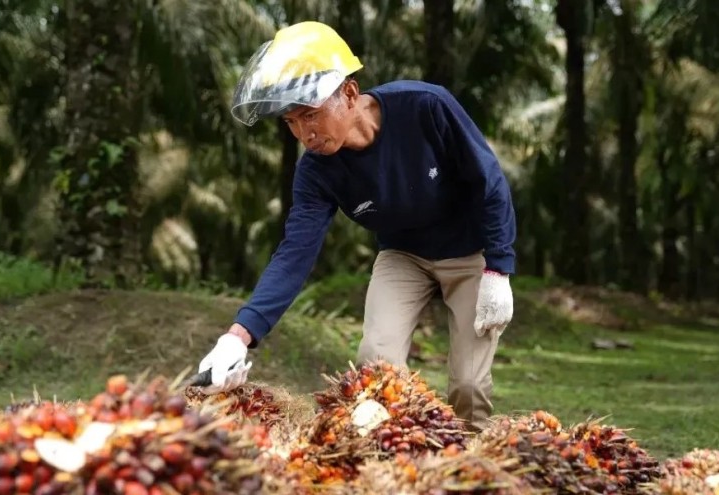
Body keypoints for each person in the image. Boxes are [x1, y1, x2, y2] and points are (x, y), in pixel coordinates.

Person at [196, 21, 515, 429]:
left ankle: (470, 470)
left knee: (469, 386)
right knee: (375, 369)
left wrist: (498, 268)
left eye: (310, 115)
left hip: (471, 251)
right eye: (291, 122)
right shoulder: (316, 173)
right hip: (403, 255)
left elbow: (488, 181)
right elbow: (293, 255)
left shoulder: (425, 106)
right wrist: (236, 338)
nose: (303, 133)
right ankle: (392, 463)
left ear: (349, 93)